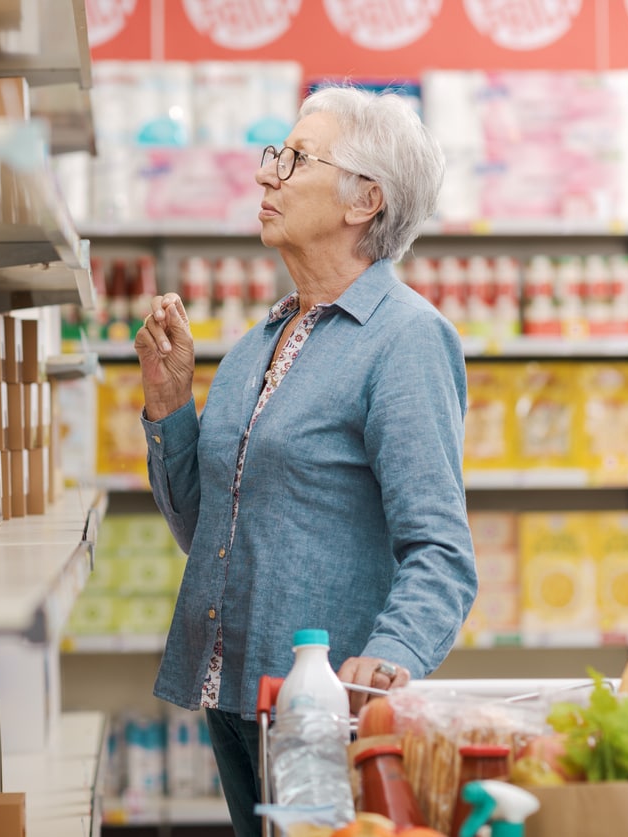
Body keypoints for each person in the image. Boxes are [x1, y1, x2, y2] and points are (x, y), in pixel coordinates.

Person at [133, 85, 477, 836]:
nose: (266, 175)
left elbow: (442, 551)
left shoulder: (405, 340)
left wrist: (387, 660)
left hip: (325, 711)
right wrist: (170, 406)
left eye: (294, 159)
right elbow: (205, 529)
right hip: (234, 692)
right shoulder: (261, 342)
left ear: (364, 200)